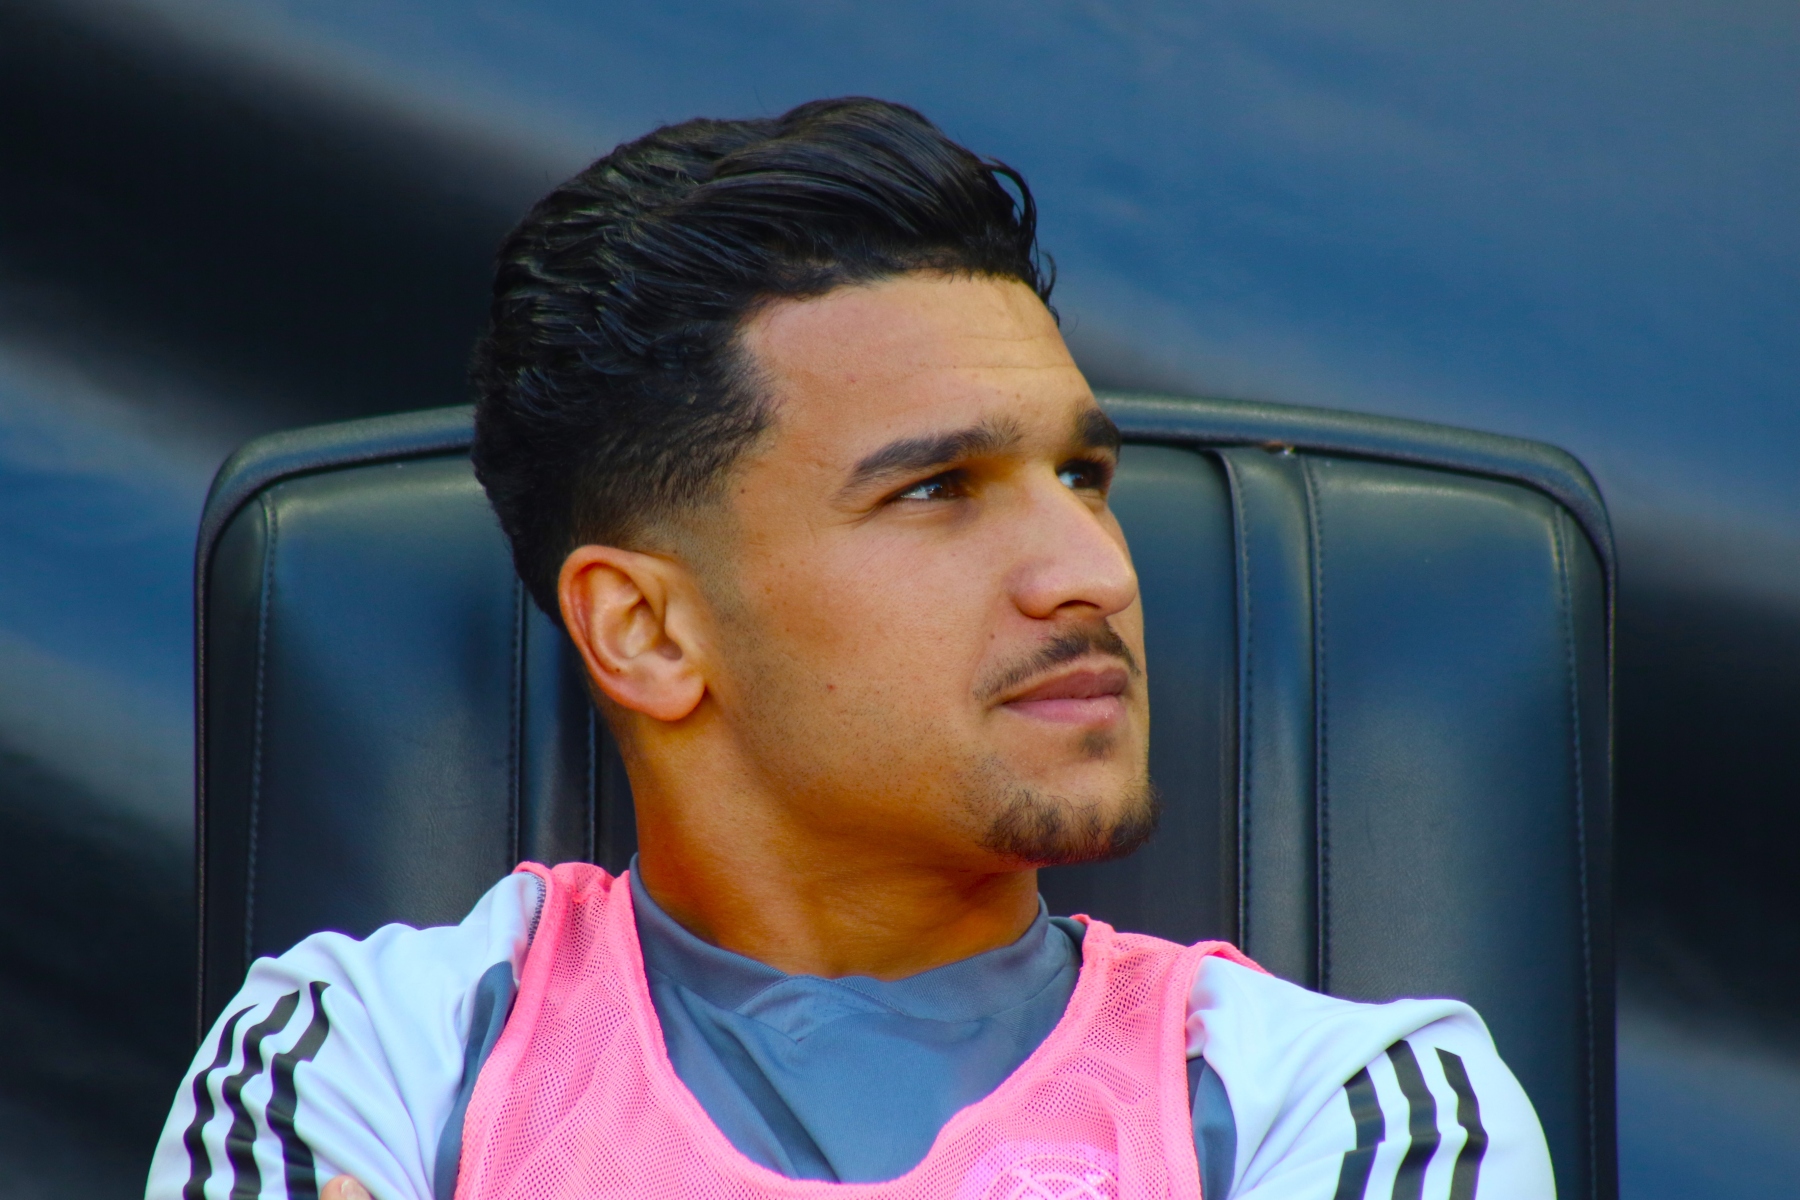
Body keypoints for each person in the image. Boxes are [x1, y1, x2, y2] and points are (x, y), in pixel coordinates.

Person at [146, 98, 1554, 1200]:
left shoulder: (1370, 1104)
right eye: (936, 491)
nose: (1095, 572)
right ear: (647, 630)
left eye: (1082, 477)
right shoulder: (350, 1054)